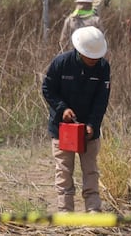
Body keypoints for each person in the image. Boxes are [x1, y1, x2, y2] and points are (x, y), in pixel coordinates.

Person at [42, 26, 110, 212]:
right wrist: (62, 108)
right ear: (80, 51)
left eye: (97, 57)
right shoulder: (61, 63)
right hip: (62, 128)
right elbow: (47, 89)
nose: (94, 60)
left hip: (89, 130)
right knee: (63, 170)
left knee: (90, 170)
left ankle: (93, 209)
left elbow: (101, 100)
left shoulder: (103, 68)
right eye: (91, 56)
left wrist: (92, 124)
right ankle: (65, 210)